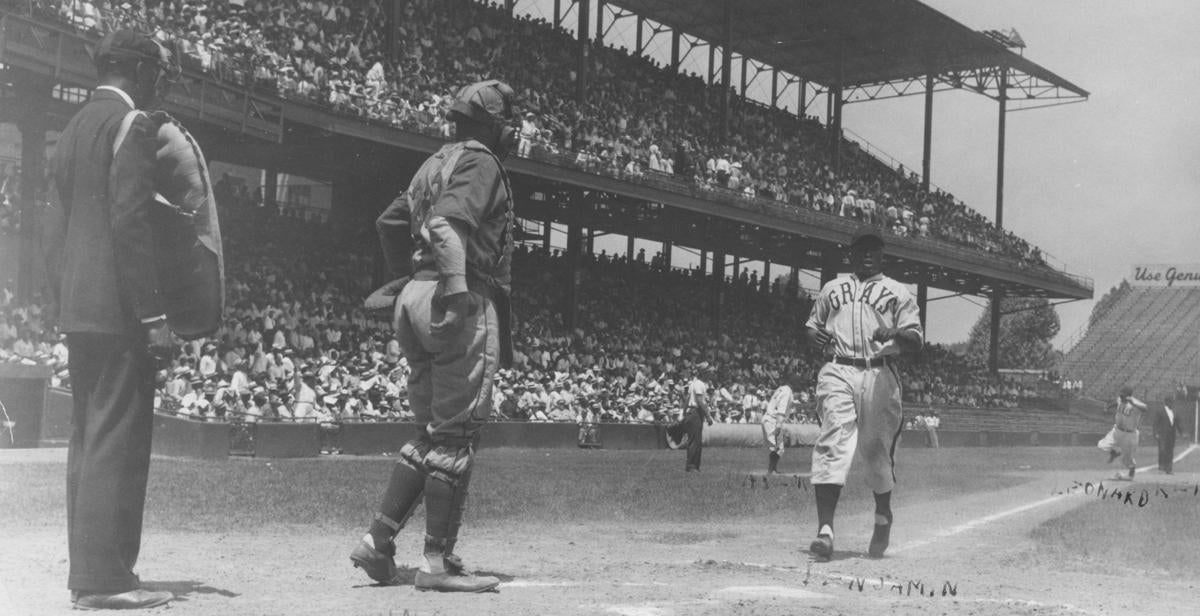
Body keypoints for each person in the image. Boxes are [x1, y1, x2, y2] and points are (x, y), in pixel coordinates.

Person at [349, 79, 518, 593]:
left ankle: (378, 542)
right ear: (490, 124)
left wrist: (409, 280)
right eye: (506, 122)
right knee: (455, 436)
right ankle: (436, 564)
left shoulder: (433, 162)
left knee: (428, 433)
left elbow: (389, 222)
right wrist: (456, 289)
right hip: (454, 295)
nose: (511, 131)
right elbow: (446, 226)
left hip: (416, 297)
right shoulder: (483, 160)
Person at [46, 29, 191, 610]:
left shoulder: (76, 125)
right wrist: (153, 314)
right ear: (139, 70)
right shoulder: (133, 126)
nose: (161, 81)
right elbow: (131, 225)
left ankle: (92, 574)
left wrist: (63, 302)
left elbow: (55, 228)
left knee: (88, 440)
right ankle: (104, 581)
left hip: (79, 307)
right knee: (116, 442)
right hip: (120, 310)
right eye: (156, 70)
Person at [804, 225, 923, 561]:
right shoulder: (832, 288)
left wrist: (897, 332)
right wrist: (813, 337)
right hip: (837, 369)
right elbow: (811, 328)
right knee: (832, 442)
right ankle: (825, 530)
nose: (867, 254)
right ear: (852, 253)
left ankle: (883, 515)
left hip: (879, 372)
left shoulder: (899, 292)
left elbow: (916, 342)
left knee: (874, 453)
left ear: (883, 254)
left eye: (873, 249)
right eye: (861, 249)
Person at [665, 364, 715, 471]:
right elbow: (700, 401)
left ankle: (695, 465)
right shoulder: (699, 384)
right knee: (694, 441)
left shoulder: (694, 383)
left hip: (693, 413)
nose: (710, 374)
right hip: (696, 413)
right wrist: (708, 416)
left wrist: (683, 412)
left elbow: (688, 399)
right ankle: (691, 466)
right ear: (704, 373)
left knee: (696, 440)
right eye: (708, 372)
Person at [1097, 386, 1147, 481]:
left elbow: (1145, 408)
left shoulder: (1134, 403)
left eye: (1123, 396)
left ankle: (1130, 476)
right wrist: (1108, 407)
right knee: (1102, 445)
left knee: (1127, 459)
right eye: (1121, 395)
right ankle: (1115, 453)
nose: (1121, 397)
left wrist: (1134, 403)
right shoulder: (1120, 400)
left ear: (1129, 396)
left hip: (1130, 434)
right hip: (1117, 430)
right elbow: (1116, 402)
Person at [763, 374, 804, 474]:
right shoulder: (788, 392)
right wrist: (778, 425)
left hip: (768, 418)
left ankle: (773, 470)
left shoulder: (781, 389)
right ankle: (771, 471)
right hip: (774, 420)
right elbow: (781, 409)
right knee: (778, 448)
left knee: (777, 448)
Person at [1154, 393, 1183, 475]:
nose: (1172, 403)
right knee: (1162, 450)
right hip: (1162, 434)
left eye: (1173, 402)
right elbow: (1156, 423)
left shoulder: (1174, 411)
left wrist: (1181, 432)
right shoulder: (1160, 411)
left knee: (1170, 451)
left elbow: (1177, 422)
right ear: (1166, 402)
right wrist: (1156, 433)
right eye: (1171, 401)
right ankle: (1161, 467)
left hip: (1171, 435)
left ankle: (1169, 469)